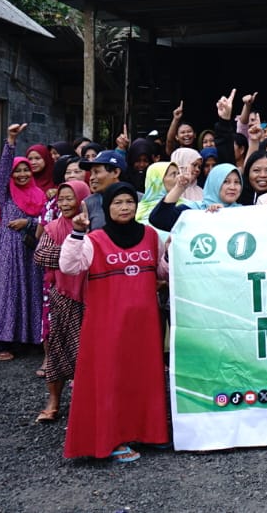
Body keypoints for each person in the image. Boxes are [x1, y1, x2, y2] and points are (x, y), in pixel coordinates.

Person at [60, 182, 169, 462]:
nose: (124, 207)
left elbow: (163, 272)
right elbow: (69, 267)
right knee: (111, 381)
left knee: (144, 379)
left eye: (129, 202)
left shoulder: (149, 235)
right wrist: (77, 233)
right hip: (106, 327)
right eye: (117, 203)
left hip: (144, 326)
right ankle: (112, 441)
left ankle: (150, 433)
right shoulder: (94, 239)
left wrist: (171, 251)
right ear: (107, 207)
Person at [0, 124, 46, 362]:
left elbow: (46, 219)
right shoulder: (5, 193)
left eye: (26, 170)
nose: (22, 174)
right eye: (17, 171)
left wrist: (28, 223)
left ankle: (29, 339)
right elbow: (1, 173)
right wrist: (11, 140)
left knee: (32, 290)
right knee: (9, 292)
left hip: (31, 248)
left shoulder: (39, 195)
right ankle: (4, 341)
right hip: (10, 250)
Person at [33, 179, 90, 423]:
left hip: (91, 294)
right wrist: (74, 252)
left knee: (87, 349)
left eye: (71, 198)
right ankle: (54, 401)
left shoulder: (95, 225)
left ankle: (84, 400)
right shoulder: (54, 227)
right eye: (62, 199)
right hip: (62, 294)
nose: (65, 203)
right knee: (57, 348)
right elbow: (40, 255)